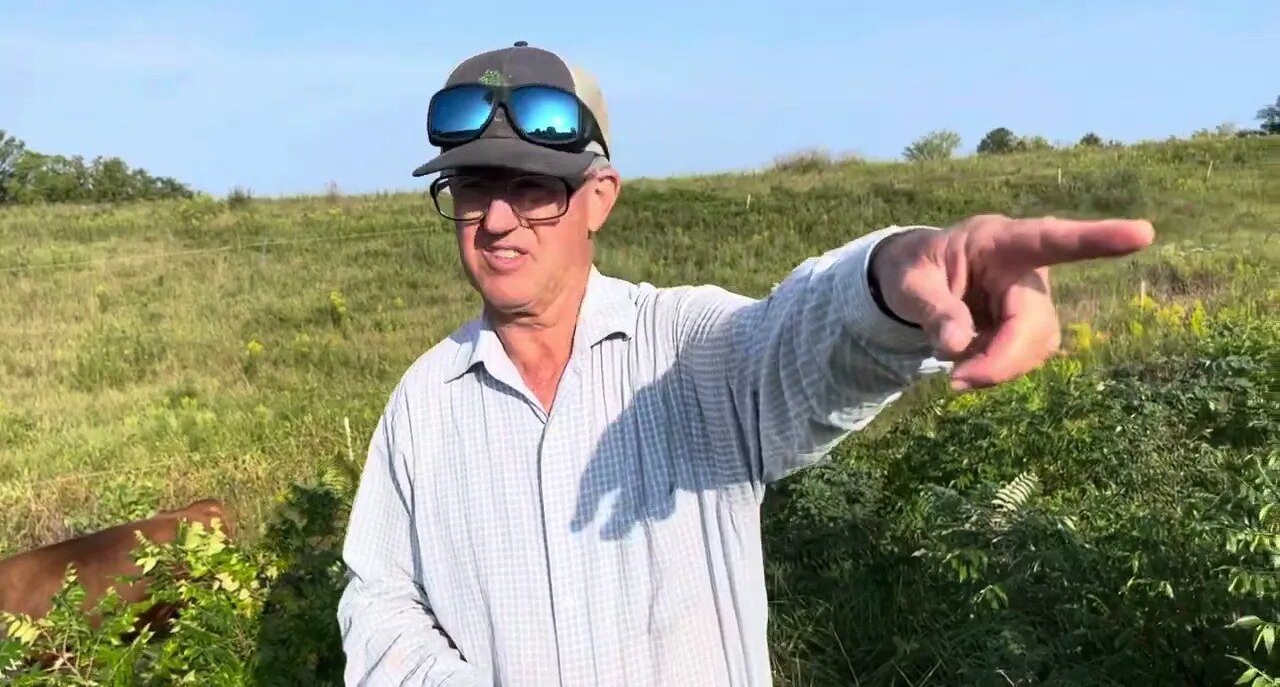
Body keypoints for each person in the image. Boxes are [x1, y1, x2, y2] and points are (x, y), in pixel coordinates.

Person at [335, 42, 1155, 687]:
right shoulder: (424, 403)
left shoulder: (683, 349)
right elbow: (381, 599)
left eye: (534, 186)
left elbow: (799, 343)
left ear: (598, 197)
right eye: (474, 187)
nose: (500, 220)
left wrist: (897, 278)